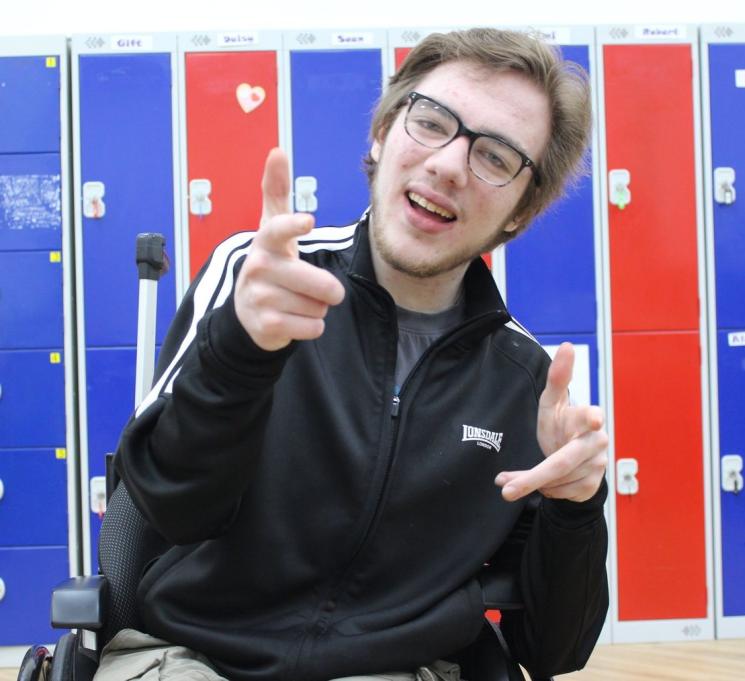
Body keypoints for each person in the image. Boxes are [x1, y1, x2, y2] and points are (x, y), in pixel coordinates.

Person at [99, 27, 609, 681]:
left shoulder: (524, 382)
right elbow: (172, 509)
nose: (450, 164)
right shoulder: (259, 280)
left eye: (496, 157)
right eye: (431, 122)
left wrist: (577, 504)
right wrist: (240, 354)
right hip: (193, 655)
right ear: (381, 134)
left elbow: (550, 652)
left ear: (521, 210)